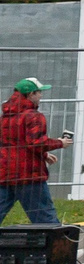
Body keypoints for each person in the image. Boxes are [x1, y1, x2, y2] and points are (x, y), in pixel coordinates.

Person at [0, 77, 69, 225]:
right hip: (29, 174)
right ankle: (54, 241)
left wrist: (43, 155)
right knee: (45, 218)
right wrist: (60, 143)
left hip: (5, 174)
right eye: (39, 92)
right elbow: (37, 143)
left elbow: (13, 144)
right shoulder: (34, 116)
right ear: (31, 94)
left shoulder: (5, 117)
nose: (41, 96)